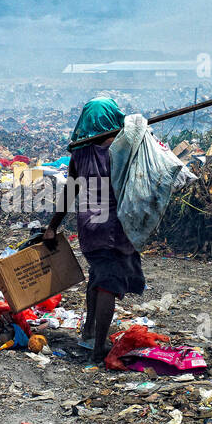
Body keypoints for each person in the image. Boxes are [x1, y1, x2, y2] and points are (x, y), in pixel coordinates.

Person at [43, 96, 146, 364]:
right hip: (113, 228)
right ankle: (99, 347)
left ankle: (89, 330)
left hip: (89, 227)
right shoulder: (121, 149)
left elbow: (71, 190)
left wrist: (53, 226)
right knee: (107, 284)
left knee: (97, 276)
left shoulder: (80, 151)